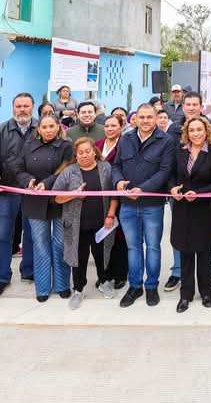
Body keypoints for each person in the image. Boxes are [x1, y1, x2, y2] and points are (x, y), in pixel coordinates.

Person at [114, 104, 176, 308]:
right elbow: (116, 166)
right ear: (136, 119)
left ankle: (151, 286)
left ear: (157, 118)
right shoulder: (126, 138)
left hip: (152, 204)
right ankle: (134, 286)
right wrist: (118, 181)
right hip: (127, 205)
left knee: (152, 247)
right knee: (133, 247)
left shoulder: (166, 141)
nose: (145, 121)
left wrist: (142, 189)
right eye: (142, 117)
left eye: (150, 117)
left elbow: (165, 171)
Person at [0, 93, 37, 300]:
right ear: (13, 108)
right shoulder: (0, 130)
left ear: (33, 107)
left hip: (31, 192)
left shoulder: (41, 127)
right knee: (4, 236)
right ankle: (2, 278)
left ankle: (29, 271)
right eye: (18, 106)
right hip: (5, 191)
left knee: (31, 234)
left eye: (26, 105)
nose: (22, 109)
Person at [15, 113, 74, 303]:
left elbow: (67, 170)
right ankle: (42, 287)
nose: (48, 130)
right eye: (44, 127)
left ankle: (62, 284)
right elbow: (18, 168)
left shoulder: (66, 146)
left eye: (51, 126)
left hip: (59, 200)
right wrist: (28, 181)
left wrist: (46, 183)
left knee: (59, 243)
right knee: (40, 244)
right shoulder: (28, 146)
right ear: (38, 129)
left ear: (58, 127)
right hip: (34, 201)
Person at [53, 137, 118, 309]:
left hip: (102, 224)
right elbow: (56, 198)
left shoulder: (105, 168)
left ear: (94, 152)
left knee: (102, 255)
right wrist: (74, 194)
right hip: (76, 226)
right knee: (78, 258)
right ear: (76, 154)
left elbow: (113, 195)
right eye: (80, 153)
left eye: (88, 151)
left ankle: (104, 282)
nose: (84, 155)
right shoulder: (68, 171)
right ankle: (78, 289)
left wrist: (110, 215)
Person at [170, 117, 211, 312]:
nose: (196, 133)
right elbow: (172, 176)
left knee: (203, 253)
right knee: (185, 252)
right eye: (192, 130)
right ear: (187, 133)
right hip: (182, 209)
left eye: (199, 129)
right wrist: (172, 188)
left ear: (206, 131)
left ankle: (206, 292)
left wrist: (199, 194)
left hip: (203, 209)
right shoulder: (179, 152)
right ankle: (186, 294)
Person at [95, 115, 128, 296]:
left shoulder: (125, 144)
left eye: (113, 126)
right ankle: (104, 273)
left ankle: (120, 274)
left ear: (121, 127)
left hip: (119, 196)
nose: (109, 129)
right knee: (102, 237)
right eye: (106, 126)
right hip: (99, 196)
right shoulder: (97, 144)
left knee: (119, 238)